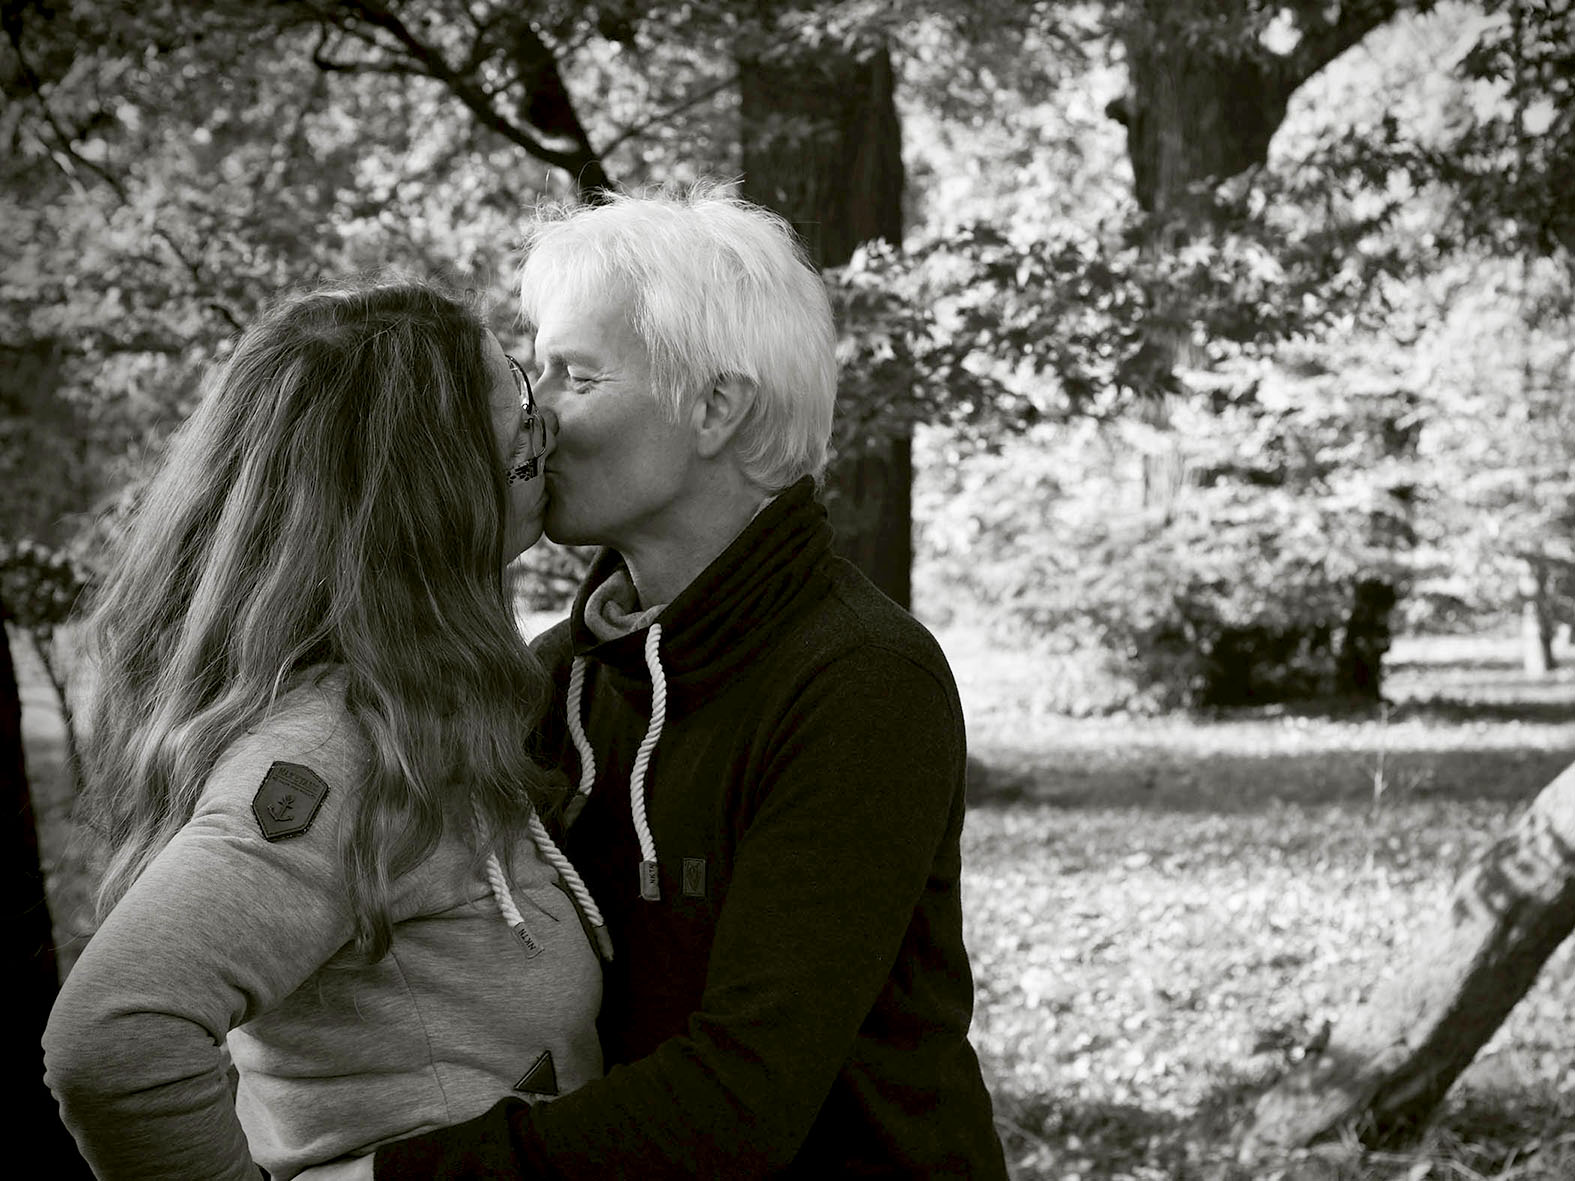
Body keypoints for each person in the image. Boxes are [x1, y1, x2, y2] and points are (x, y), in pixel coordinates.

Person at [358, 186, 1008, 1177]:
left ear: (716, 406)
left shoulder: (862, 682)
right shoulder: (552, 680)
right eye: (536, 371)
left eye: (576, 374)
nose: (536, 416)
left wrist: (389, 1178)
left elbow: (743, 1096)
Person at [43, 278, 606, 1181]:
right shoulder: (336, 751)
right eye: (521, 418)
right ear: (432, 487)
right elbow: (115, 1038)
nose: (547, 439)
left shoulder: (413, 714)